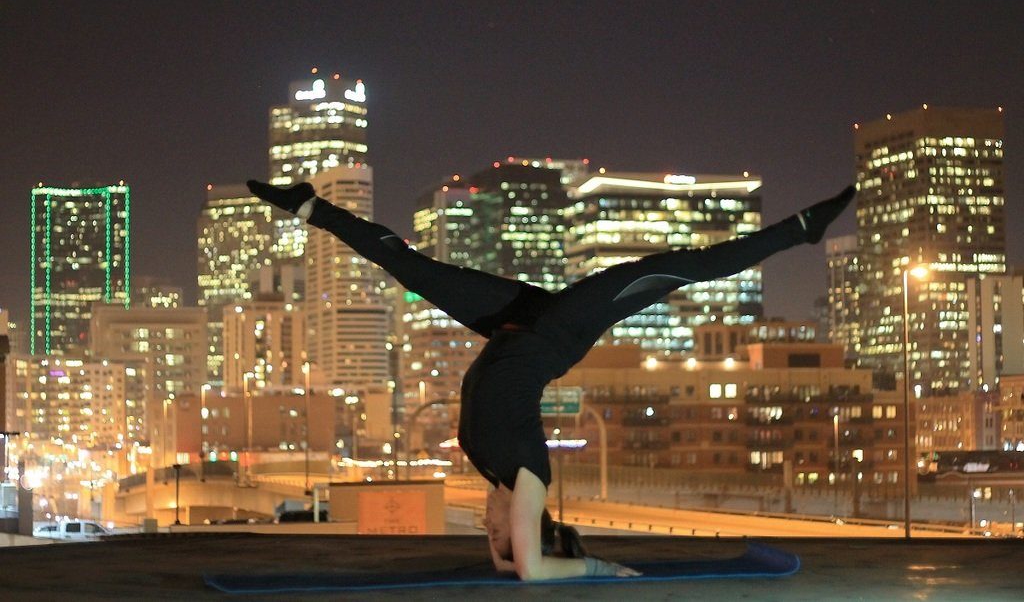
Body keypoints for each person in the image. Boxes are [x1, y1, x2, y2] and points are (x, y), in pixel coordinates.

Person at [247, 178, 855, 580]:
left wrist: (508, 555)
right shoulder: (530, 476)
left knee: (410, 266)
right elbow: (531, 574)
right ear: (526, 523)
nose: (487, 526)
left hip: (511, 321)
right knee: (671, 270)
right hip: (555, 332)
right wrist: (592, 569)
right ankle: (799, 230)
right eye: (501, 530)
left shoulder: (490, 471)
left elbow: (510, 562)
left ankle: (309, 206)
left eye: (492, 530)